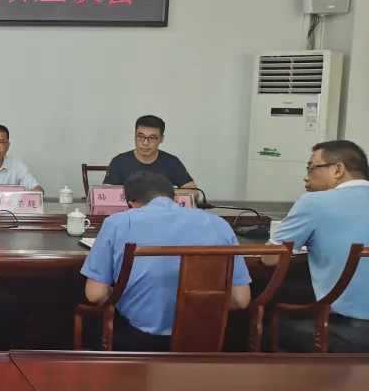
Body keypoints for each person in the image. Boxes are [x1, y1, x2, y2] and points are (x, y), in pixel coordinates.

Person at [80, 171, 250, 351]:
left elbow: (95, 294)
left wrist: (128, 302)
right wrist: (202, 306)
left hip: (138, 341)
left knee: (91, 322)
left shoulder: (118, 222)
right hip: (204, 340)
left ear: (131, 204)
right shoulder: (218, 224)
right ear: (176, 197)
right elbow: (241, 299)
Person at [263, 140, 369, 353]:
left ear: (338, 170)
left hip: (347, 333)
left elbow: (270, 258)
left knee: (265, 329)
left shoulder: (314, 202)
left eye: (311, 168)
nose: (306, 176)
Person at [104, 115, 197, 191]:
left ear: (161, 139)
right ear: (134, 136)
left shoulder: (172, 162)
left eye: (152, 138)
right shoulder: (119, 161)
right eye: (140, 136)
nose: (145, 143)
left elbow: (193, 191)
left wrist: (164, 195)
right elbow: (105, 193)